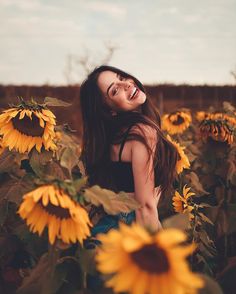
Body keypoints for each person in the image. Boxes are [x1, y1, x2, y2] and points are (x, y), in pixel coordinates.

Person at [80, 65, 178, 234]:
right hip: (131, 230)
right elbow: (144, 208)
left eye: (121, 77)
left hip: (105, 229)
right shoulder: (142, 133)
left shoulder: (111, 137)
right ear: (108, 110)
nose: (126, 85)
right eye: (114, 90)